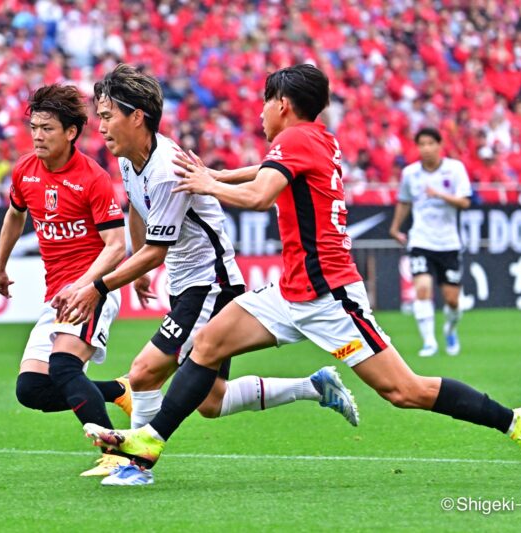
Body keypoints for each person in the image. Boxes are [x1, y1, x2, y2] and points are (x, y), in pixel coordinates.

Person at [83, 64, 521, 485]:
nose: (261, 114)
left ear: (283, 104)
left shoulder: (295, 139)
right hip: (290, 292)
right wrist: (217, 174)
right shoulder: (316, 138)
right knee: (206, 345)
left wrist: (208, 183)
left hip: (330, 295)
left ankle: (516, 420)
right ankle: (150, 441)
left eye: (265, 103)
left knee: (403, 390)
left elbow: (261, 195)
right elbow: (261, 171)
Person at [53, 64, 359, 485]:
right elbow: (137, 213)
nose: (100, 126)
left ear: (136, 117)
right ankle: (314, 386)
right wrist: (138, 257)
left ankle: (134, 464)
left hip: (210, 283)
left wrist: (95, 286)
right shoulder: (130, 159)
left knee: (143, 372)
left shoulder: (164, 168)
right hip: (188, 283)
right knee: (211, 401)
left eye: (107, 116)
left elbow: (156, 252)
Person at [0, 84, 133, 478]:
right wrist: (0, 267)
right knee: (32, 390)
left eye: (47, 128)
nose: (37, 135)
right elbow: (15, 215)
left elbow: (116, 245)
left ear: (71, 132)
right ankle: (119, 391)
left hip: (92, 290)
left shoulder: (93, 178)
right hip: (58, 294)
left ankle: (117, 453)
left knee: (65, 368)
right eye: (34, 127)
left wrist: (87, 286)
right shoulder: (25, 171)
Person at [389, 127, 472, 357]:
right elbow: (404, 201)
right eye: (421, 144)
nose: (425, 149)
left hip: (448, 244)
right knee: (423, 290)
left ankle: (450, 329)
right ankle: (429, 343)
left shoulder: (454, 169)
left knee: (452, 300)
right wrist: (395, 227)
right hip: (421, 240)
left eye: (430, 143)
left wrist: (440, 195)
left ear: (439, 145)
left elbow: (465, 202)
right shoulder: (410, 173)